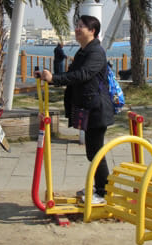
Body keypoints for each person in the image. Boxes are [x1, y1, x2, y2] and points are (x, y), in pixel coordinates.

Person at [37, 15, 114, 204]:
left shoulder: (96, 52)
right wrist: (50, 76)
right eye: (77, 26)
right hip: (88, 106)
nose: (77, 29)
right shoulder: (83, 52)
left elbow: (83, 74)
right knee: (92, 152)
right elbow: (71, 74)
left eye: (82, 26)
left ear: (92, 31)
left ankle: (103, 193)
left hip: (97, 108)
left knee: (96, 152)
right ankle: (99, 187)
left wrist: (55, 79)